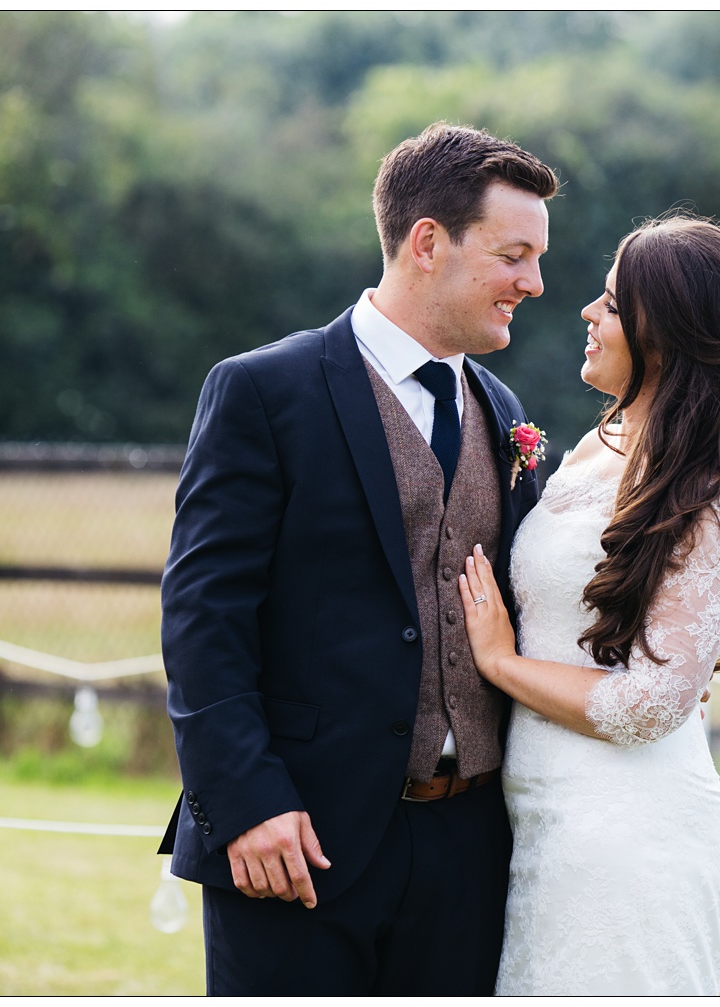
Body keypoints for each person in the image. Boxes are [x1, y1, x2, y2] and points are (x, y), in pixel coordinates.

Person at [157, 123, 558, 995]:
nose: (534, 282)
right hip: (296, 834)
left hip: (471, 845)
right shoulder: (264, 390)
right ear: (427, 244)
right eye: (514, 255)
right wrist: (248, 801)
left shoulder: (503, 409)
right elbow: (203, 617)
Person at [459, 213, 720, 995]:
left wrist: (500, 662)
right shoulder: (599, 444)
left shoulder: (707, 494)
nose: (586, 311)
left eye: (611, 304)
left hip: (626, 830)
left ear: (662, 336)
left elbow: (651, 704)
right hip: (541, 812)